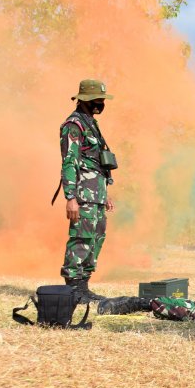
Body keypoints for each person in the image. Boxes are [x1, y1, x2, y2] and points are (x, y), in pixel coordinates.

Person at [56, 79, 116, 303]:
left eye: (102, 99)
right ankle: (72, 288)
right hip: (82, 194)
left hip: (96, 193)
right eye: (97, 100)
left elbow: (97, 162)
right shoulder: (74, 125)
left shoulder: (91, 122)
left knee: (96, 238)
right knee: (81, 238)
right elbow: (69, 162)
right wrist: (70, 198)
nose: (101, 103)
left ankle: (83, 287)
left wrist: (105, 193)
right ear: (85, 100)